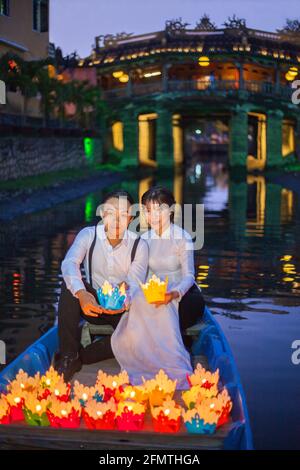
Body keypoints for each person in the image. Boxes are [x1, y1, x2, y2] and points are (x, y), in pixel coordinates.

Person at [111, 186, 205, 389]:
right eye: (148, 210)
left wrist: (173, 294)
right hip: (155, 290)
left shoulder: (182, 238)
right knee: (139, 300)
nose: (153, 216)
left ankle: (173, 357)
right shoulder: (144, 240)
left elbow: (190, 275)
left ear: (170, 210)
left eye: (158, 209)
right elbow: (139, 275)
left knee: (176, 307)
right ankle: (145, 357)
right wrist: (128, 288)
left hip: (182, 291)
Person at [54, 190, 149, 381]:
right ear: (103, 214)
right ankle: (68, 357)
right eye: (111, 213)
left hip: (123, 307)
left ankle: (84, 356)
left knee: (140, 337)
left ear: (130, 218)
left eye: (123, 215)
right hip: (93, 304)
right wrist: (82, 294)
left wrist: (124, 299)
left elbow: (134, 282)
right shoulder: (88, 235)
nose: (116, 220)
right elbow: (69, 263)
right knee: (70, 283)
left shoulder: (140, 245)